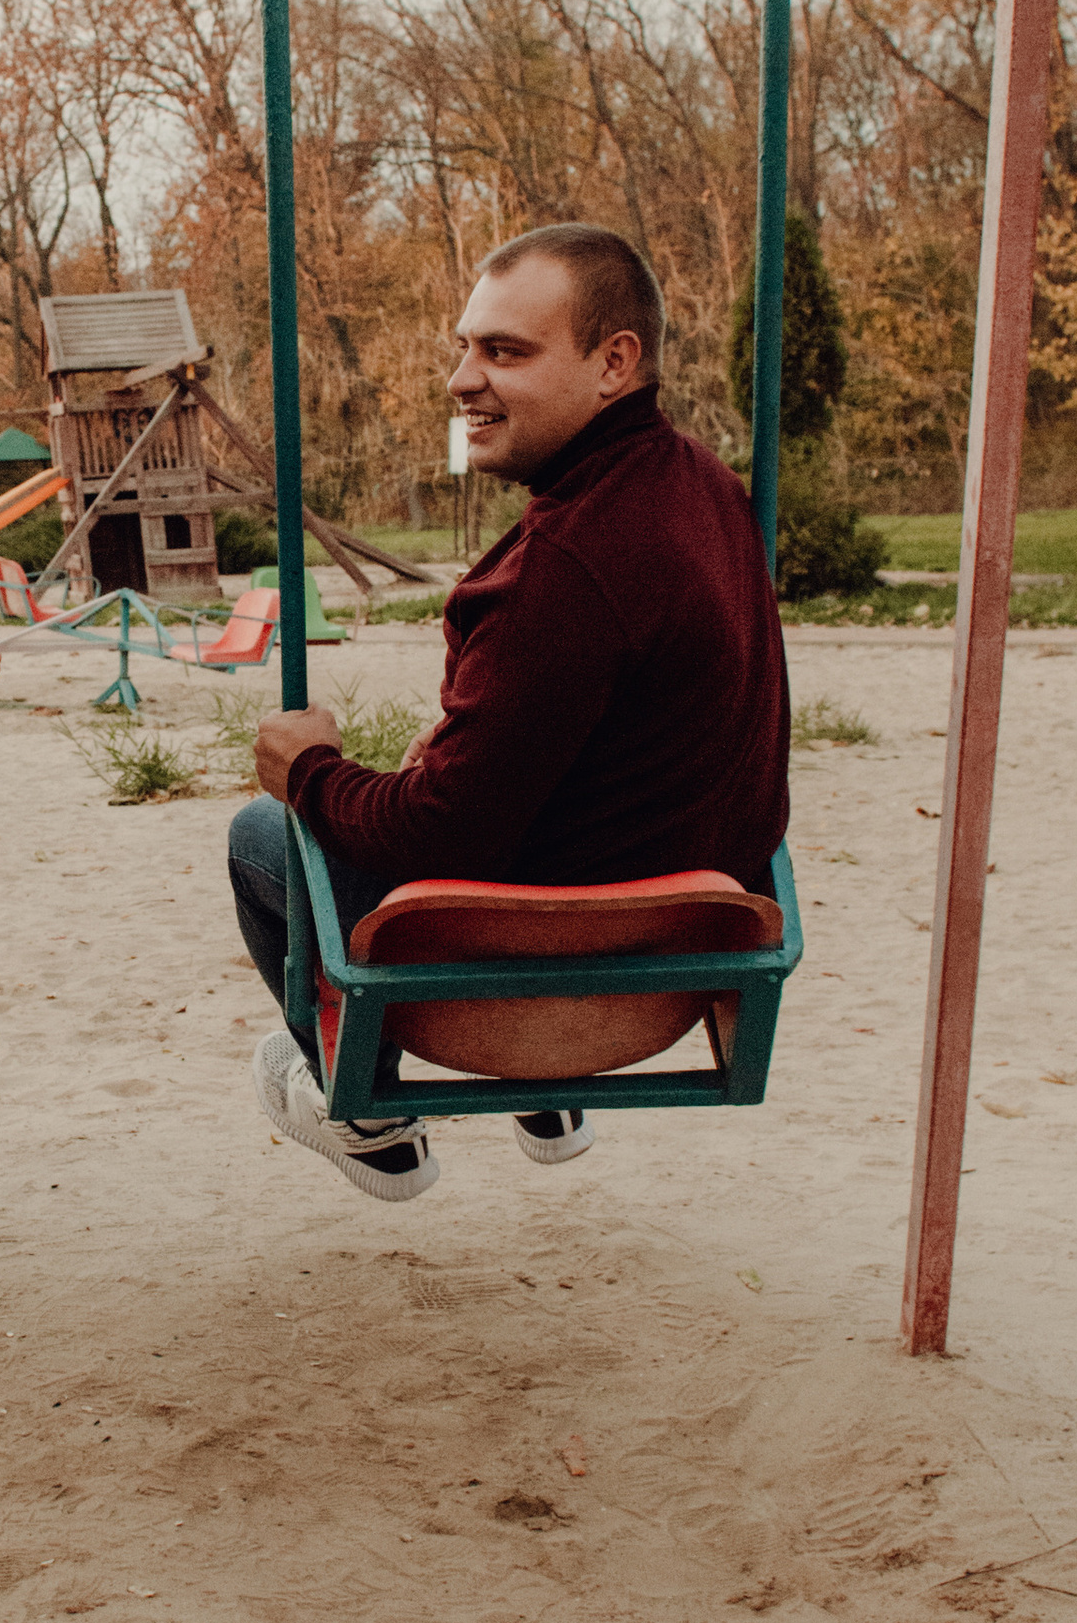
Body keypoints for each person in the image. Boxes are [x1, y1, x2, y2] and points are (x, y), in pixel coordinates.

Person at [228, 221, 788, 1202]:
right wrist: (462, 750)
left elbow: (436, 832)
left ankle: (371, 1122)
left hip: (529, 984)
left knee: (263, 832)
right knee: (446, 764)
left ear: (614, 363)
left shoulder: (567, 567)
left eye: (505, 351)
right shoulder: (704, 490)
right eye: (463, 346)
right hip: (676, 958)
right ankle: (551, 1108)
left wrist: (309, 769)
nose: (461, 379)